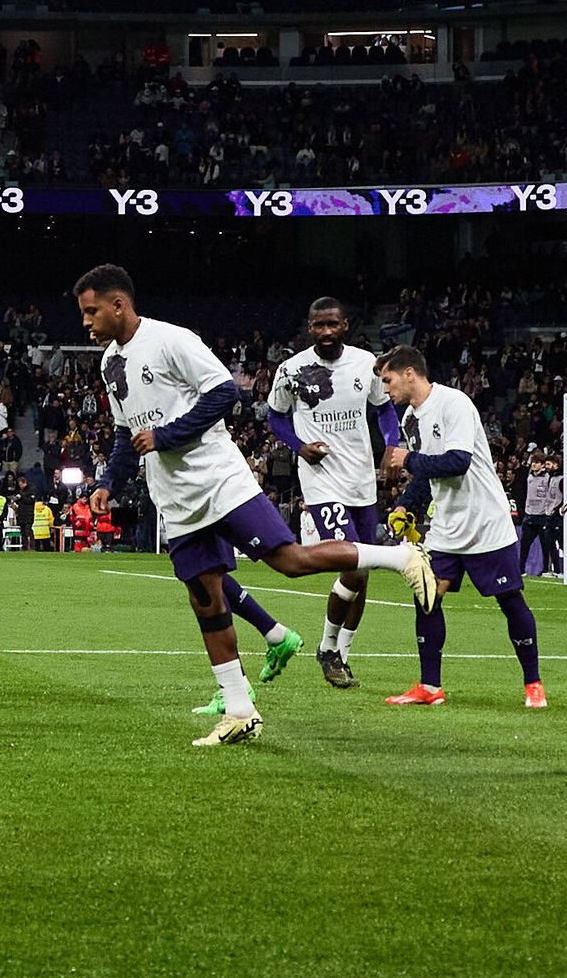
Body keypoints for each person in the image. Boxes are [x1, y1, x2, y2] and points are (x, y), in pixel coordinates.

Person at [80, 262, 434, 748]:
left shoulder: (169, 340)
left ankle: (402, 558)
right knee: (205, 596)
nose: (87, 322)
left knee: (288, 561)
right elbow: (125, 432)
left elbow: (224, 392)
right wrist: (108, 481)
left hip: (219, 479)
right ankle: (240, 710)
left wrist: (165, 435)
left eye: (91, 311)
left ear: (118, 304)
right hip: (176, 498)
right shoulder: (108, 363)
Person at [375, 346, 543, 711]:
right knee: (427, 595)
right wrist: (405, 503)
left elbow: (457, 462)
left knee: (509, 600)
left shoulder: (455, 404)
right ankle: (430, 686)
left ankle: (533, 685)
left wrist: (407, 459)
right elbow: (424, 473)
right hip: (448, 526)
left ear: (409, 373)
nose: (384, 389)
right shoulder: (409, 418)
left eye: (387, 380)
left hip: (485, 521)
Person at [262, 296, 385, 689]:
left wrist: (394, 445)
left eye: (333, 324)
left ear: (345, 325)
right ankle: (329, 648)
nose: (326, 332)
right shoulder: (292, 369)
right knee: (353, 562)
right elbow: (275, 416)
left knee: (362, 573)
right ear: (310, 327)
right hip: (321, 478)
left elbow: (383, 408)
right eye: (319, 326)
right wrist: (300, 447)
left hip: (362, 478)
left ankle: (341, 656)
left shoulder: (367, 363)